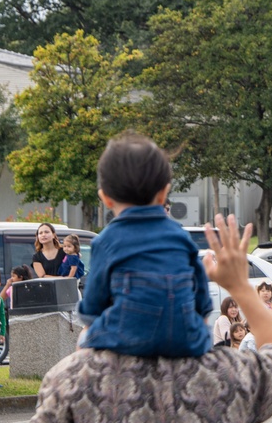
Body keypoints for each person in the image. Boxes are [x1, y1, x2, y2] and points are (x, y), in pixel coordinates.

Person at [25, 213, 272, 423]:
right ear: (196, 302)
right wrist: (240, 287)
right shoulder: (227, 375)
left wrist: (85, 346)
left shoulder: (71, 382)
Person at [78, 132, 212, 358]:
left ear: (105, 198)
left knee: (84, 337)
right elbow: (203, 304)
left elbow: (92, 307)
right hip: (188, 342)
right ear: (164, 194)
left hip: (128, 339)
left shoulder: (106, 240)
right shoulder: (180, 236)